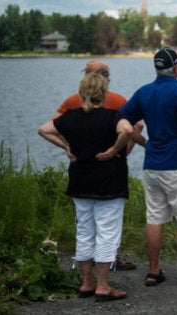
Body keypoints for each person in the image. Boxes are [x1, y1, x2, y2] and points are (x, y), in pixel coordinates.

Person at [119, 47, 177, 288]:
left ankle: (153, 271)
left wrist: (142, 142)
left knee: (155, 217)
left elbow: (121, 119)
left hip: (152, 164)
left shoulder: (144, 92)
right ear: (175, 68)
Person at [37, 72, 133, 302]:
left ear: (82, 93)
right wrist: (113, 151)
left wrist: (66, 146)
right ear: (104, 93)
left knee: (85, 232)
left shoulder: (70, 117)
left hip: (80, 181)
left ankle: (86, 282)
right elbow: (128, 131)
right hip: (109, 183)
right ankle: (102, 286)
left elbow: (44, 129)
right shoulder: (112, 116)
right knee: (107, 233)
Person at [52, 59, 141, 271]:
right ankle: (107, 268)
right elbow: (136, 126)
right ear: (106, 79)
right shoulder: (118, 101)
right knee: (108, 226)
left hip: (81, 170)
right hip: (110, 171)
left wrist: (67, 147)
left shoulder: (73, 101)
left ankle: (86, 277)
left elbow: (52, 125)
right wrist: (120, 150)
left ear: (86, 78)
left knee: (84, 226)